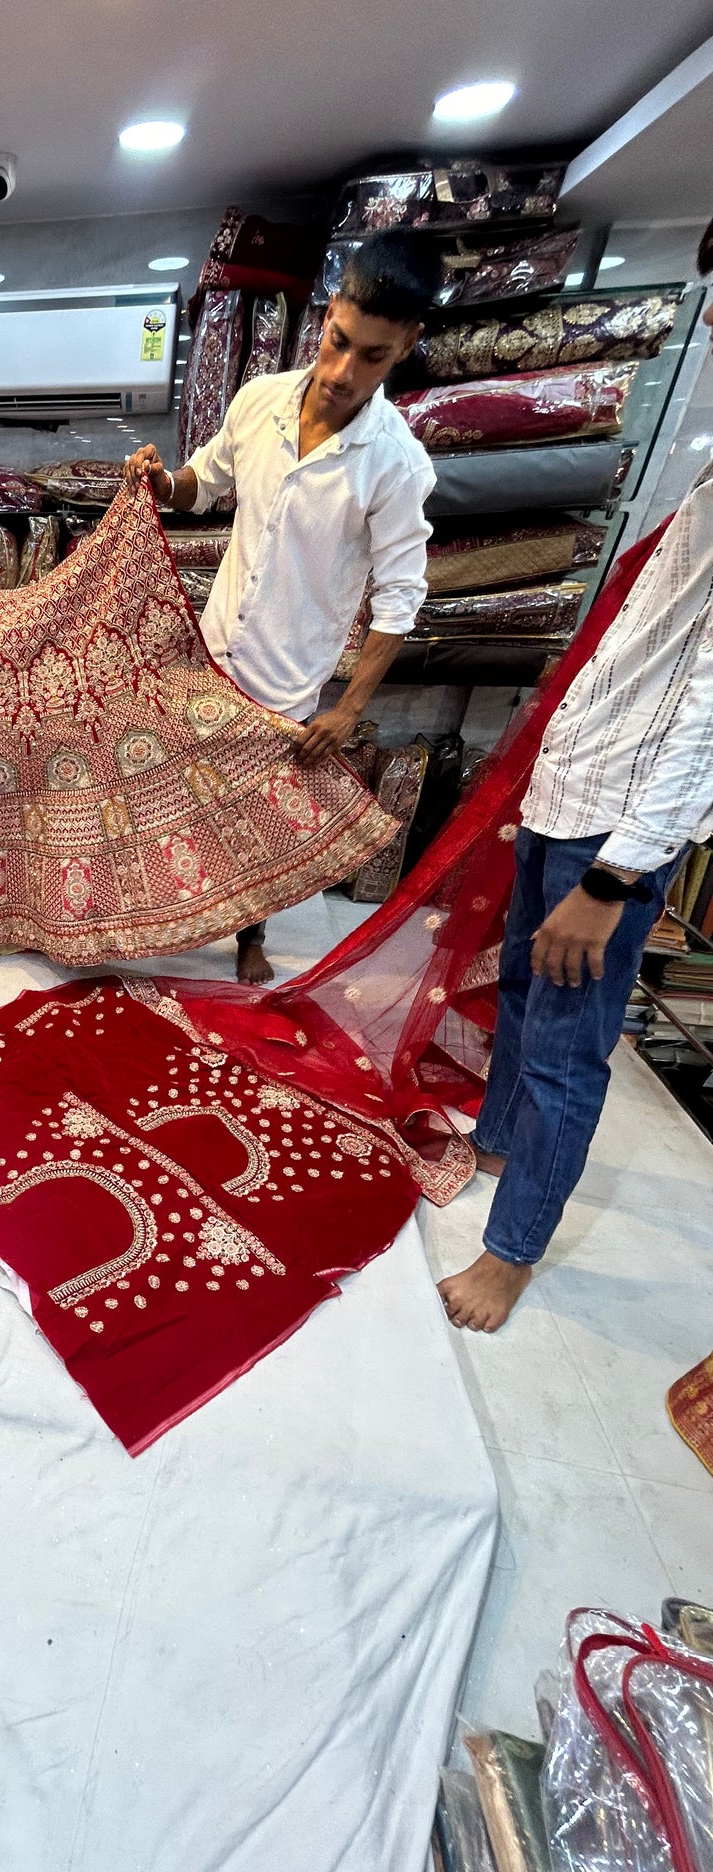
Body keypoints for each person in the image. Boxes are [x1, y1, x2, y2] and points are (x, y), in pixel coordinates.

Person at [438, 228, 713, 1335]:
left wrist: (610, 880)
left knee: (564, 1047)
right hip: (574, 794)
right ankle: (497, 1146)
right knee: (517, 998)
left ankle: (511, 1254)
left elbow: (706, 711)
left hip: (612, 828)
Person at [124, 233, 440, 983]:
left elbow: (400, 597)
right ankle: (147, 910)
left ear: (405, 346)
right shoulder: (259, 399)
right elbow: (206, 480)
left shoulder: (395, 464)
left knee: (254, 816)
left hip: (289, 672)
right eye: (338, 342)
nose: (341, 371)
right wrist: (162, 484)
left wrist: (345, 708)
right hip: (211, 646)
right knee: (170, 787)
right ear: (328, 314)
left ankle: (247, 936)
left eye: (371, 356)